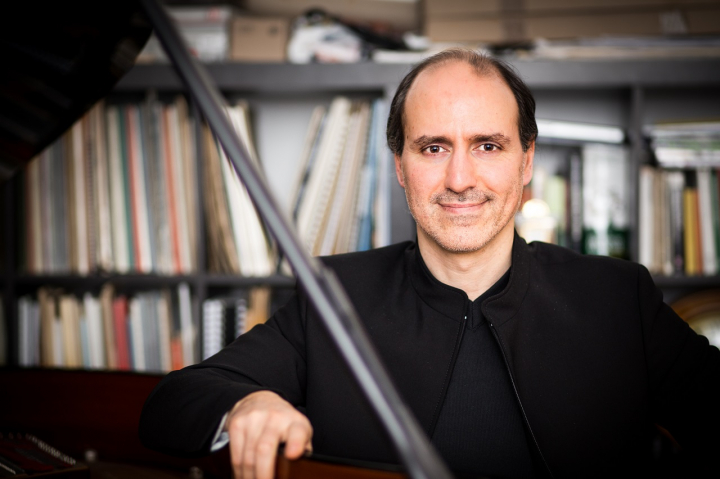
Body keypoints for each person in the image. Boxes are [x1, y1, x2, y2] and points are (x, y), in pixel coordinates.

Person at [139, 49, 720, 479]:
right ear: (400, 166)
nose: (460, 179)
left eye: (488, 146)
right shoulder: (333, 293)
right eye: (433, 147)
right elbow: (176, 399)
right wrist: (248, 403)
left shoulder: (617, 297)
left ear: (526, 163)